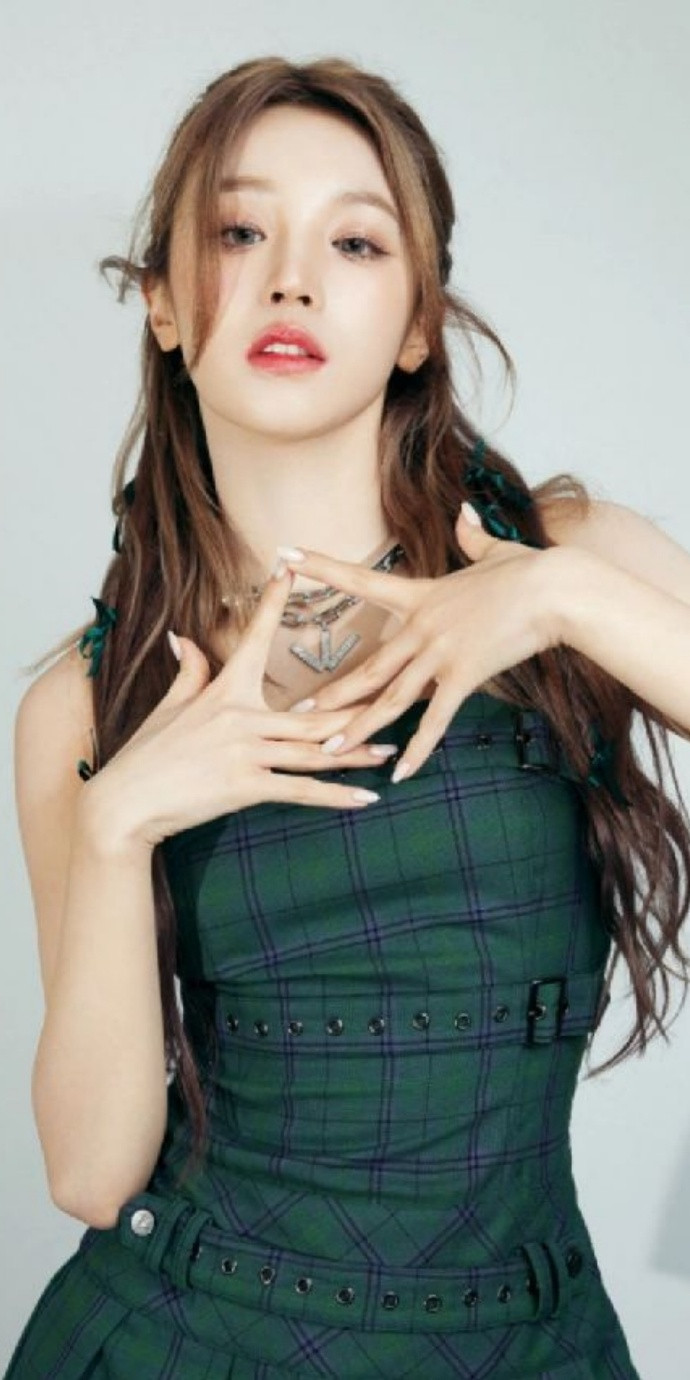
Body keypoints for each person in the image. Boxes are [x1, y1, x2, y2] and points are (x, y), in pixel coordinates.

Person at [7, 53, 690, 1380]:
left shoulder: (564, 556)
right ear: (163, 305)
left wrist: (557, 598)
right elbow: (91, 1174)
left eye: (356, 242)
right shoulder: (84, 703)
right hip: (187, 1337)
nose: (292, 280)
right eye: (239, 231)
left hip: (530, 1347)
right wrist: (116, 826)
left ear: (418, 323)